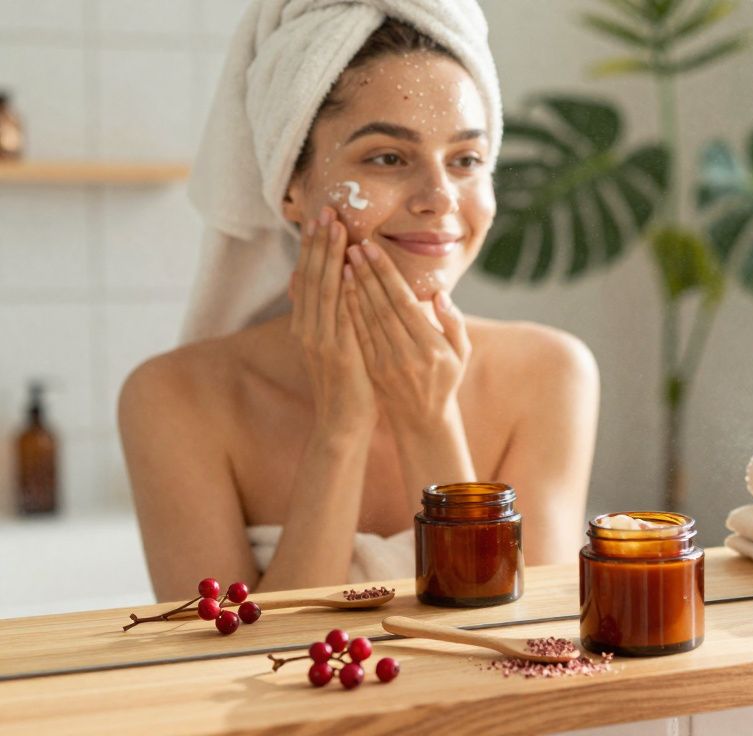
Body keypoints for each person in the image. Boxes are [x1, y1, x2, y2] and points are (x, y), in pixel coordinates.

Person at [119, 1, 599, 602]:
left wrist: (430, 419)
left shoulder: (549, 373)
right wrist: (340, 429)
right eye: (388, 158)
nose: (440, 199)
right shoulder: (175, 399)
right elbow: (238, 669)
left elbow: (520, 644)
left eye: (466, 160)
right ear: (289, 186)